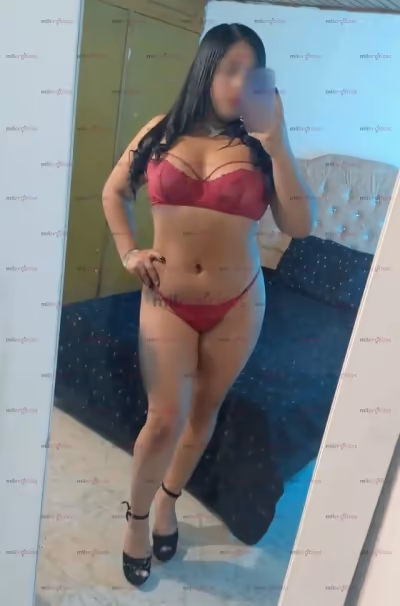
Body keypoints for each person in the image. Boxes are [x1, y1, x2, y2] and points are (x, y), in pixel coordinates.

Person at [102, 22, 315, 587]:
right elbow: (114, 191)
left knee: (204, 411)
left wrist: (278, 142)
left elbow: (299, 224)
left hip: (239, 302)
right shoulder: (160, 132)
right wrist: (128, 251)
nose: (240, 83)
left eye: (252, 73)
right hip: (166, 299)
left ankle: (168, 501)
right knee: (163, 419)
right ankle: (136, 519)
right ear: (206, 69)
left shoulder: (263, 148)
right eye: (229, 69)